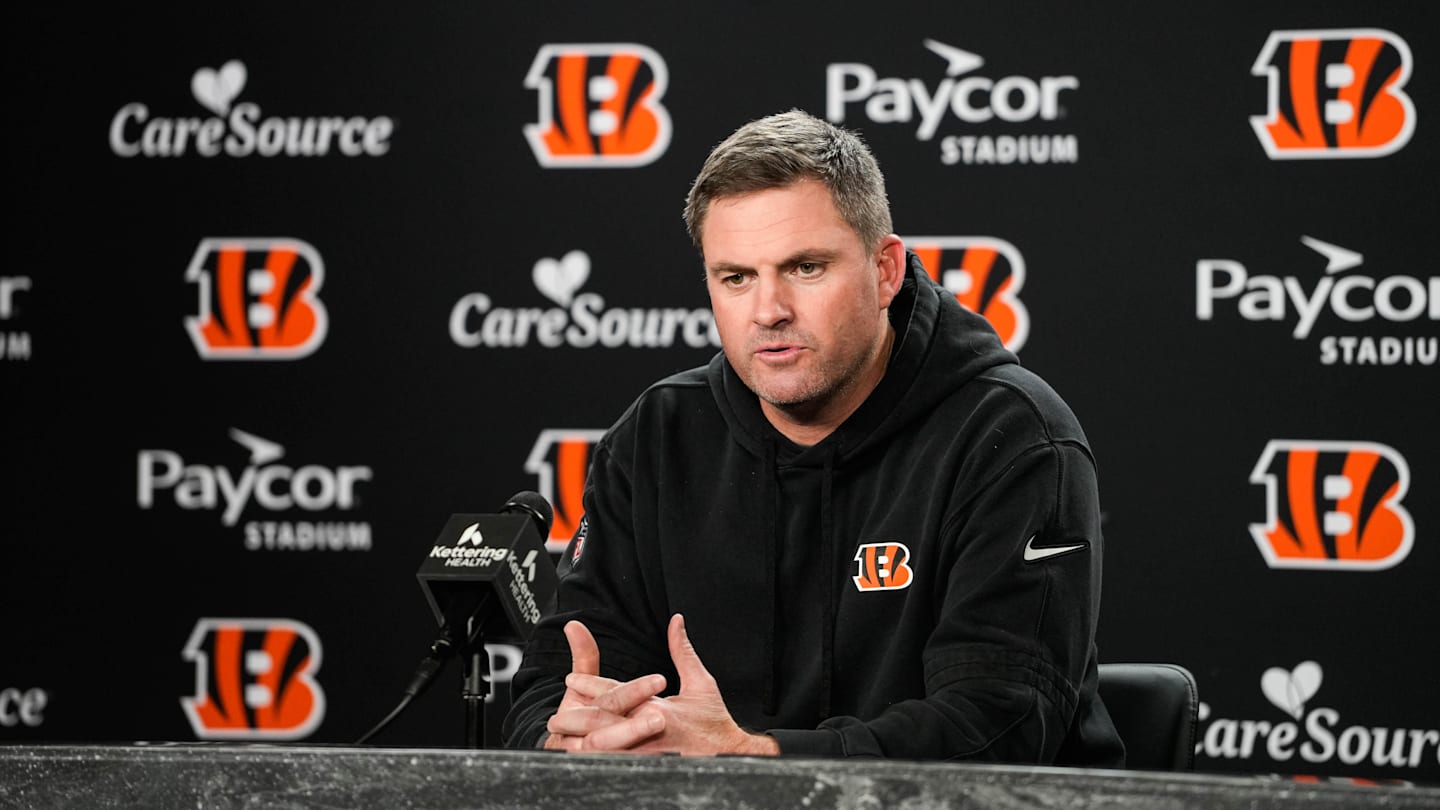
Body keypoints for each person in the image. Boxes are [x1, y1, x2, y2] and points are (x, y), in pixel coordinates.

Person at [502, 108, 1125, 765]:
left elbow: (999, 723)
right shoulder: (656, 436)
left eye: (805, 268)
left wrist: (754, 758)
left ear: (886, 271)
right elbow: (554, 684)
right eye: (736, 278)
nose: (768, 311)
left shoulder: (1012, 437)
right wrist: (571, 736)